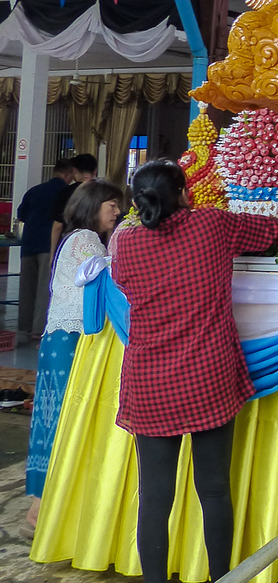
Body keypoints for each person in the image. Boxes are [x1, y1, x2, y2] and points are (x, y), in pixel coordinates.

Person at [111, 160, 278, 583]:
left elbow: (122, 282)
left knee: (154, 498)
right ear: (185, 194)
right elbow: (272, 232)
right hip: (207, 377)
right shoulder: (210, 225)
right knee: (214, 490)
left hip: (150, 382)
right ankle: (221, 577)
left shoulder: (128, 245)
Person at [24, 179, 124, 530]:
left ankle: (43, 502)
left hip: (59, 338)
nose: (116, 211)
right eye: (111, 205)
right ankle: (42, 506)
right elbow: (105, 280)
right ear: (93, 206)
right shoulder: (86, 240)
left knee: (54, 415)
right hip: (68, 338)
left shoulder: (77, 237)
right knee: (64, 416)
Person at [15, 159, 73, 345]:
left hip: (29, 244)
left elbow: (21, 214)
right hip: (49, 246)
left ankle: (23, 329)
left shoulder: (34, 191)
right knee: (44, 289)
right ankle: (38, 330)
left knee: (26, 288)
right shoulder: (65, 193)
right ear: (67, 175)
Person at [48, 153, 98, 261]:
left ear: (74, 171)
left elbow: (57, 226)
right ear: (95, 171)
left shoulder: (66, 192)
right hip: (96, 246)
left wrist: (53, 255)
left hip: (69, 246)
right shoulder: (102, 192)